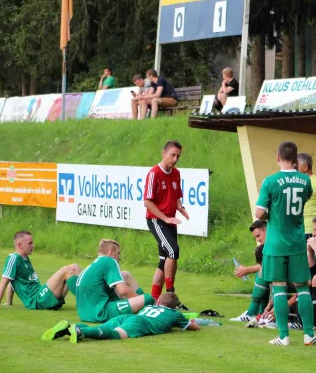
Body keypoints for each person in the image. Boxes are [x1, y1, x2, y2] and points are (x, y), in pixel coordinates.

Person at [255, 140, 316, 346]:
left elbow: (259, 213)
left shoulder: (270, 181)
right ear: (296, 160)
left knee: (278, 287)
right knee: (303, 287)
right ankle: (308, 335)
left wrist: (271, 213)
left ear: (278, 158)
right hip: (297, 241)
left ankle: (284, 336)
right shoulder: (305, 181)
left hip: (276, 243)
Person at [42, 292, 200, 343]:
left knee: (102, 328)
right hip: (139, 323)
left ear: (159, 301)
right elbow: (192, 327)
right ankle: (80, 331)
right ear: (173, 307)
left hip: (127, 316)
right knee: (116, 335)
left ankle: (70, 328)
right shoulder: (176, 315)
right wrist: (193, 323)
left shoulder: (150, 306)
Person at [0, 231, 80, 311]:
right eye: (30, 243)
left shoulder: (24, 258)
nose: (33, 245)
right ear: (19, 245)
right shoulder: (13, 258)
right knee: (67, 270)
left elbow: (12, 281)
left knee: (74, 266)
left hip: (41, 295)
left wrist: (9, 302)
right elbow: (4, 282)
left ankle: (90, 297)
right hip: (36, 300)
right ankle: (87, 301)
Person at [144, 141, 189, 300]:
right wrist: (166, 218)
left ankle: (154, 299)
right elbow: (147, 202)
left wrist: (180, 208)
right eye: (172, 155)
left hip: (169, 221)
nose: (175, 159)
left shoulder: (176, 173)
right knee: (173, 251)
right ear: (163, 154)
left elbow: (176, 195)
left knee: (164, 261)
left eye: (178, 156)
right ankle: (170, 294)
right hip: (157, 220)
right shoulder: (154, 173)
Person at [75, 239, 155, 323]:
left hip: (84, 313)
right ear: (112, 252)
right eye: (118, 253)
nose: (119, 257)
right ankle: (148, 308)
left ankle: (142, 303)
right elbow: (123, 290)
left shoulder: (94, 264)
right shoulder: (109, 261)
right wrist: (141, 300)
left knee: (125, 275)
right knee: (148, 299)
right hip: (100, 313)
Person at [230, 220, 271, 323]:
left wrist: (247, 269)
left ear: (266, 230)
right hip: (282, 277)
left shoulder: (276, 244)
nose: (258, 240)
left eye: (258, 236)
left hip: (294, 279)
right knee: (262, 273)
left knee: (262, 273)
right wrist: (247, 269)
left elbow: (268, 266)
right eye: (255, 238)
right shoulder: (267, 245)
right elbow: (266, 266)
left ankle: (252, 313)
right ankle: (260, 314)